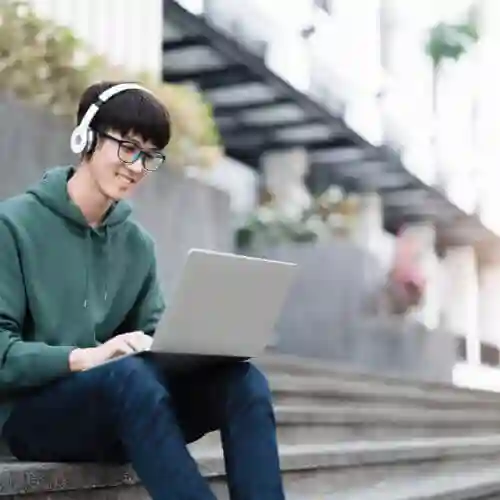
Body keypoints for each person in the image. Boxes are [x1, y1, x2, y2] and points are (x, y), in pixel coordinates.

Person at [0, 81, 285, 500]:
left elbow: (155, 337)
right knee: (129, 377)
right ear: (87, 137)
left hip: (120, 412)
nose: (136, 166)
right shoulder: (13, 225)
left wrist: (201, 347)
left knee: (244, 382)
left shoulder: (137, 245)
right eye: (128, 147)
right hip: (29, 419)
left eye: (149, 156)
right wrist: (88, 357)